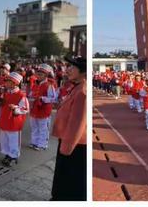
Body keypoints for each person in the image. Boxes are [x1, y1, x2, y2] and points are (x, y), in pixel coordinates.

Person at [51, 56, 86, 201]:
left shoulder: (82, 92)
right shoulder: (76, 88)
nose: (68, 69)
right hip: (68, 140)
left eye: (73, 67)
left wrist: (66, 149)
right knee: (63, 177)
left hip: (74, 145)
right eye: (68, 66)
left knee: (70, 179)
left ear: (83, 72)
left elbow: (77, 124)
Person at [0, 71, 29, 166]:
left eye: (8, 81)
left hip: (14, 122)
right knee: (5, 139)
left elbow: (25, 109)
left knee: (13, 140)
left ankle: (14, 156)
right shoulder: (6, 93)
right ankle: (7, 154)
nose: (6, 83)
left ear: (14, 83)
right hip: (5, 120)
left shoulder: (21, 95)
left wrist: (16, 108)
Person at [29, 63, 57, 151]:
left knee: (43, 128)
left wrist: (42, 99)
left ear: (46, 75)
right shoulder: (35, 84)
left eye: (41, 74)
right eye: (38, 74)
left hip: (44, 110)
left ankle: (42, 144)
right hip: (35, 109)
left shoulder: (49, 85)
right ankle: (34, 142)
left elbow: (53, 98)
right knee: (34, 126)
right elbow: (31, 94)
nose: (38, 76)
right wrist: (30, 97)